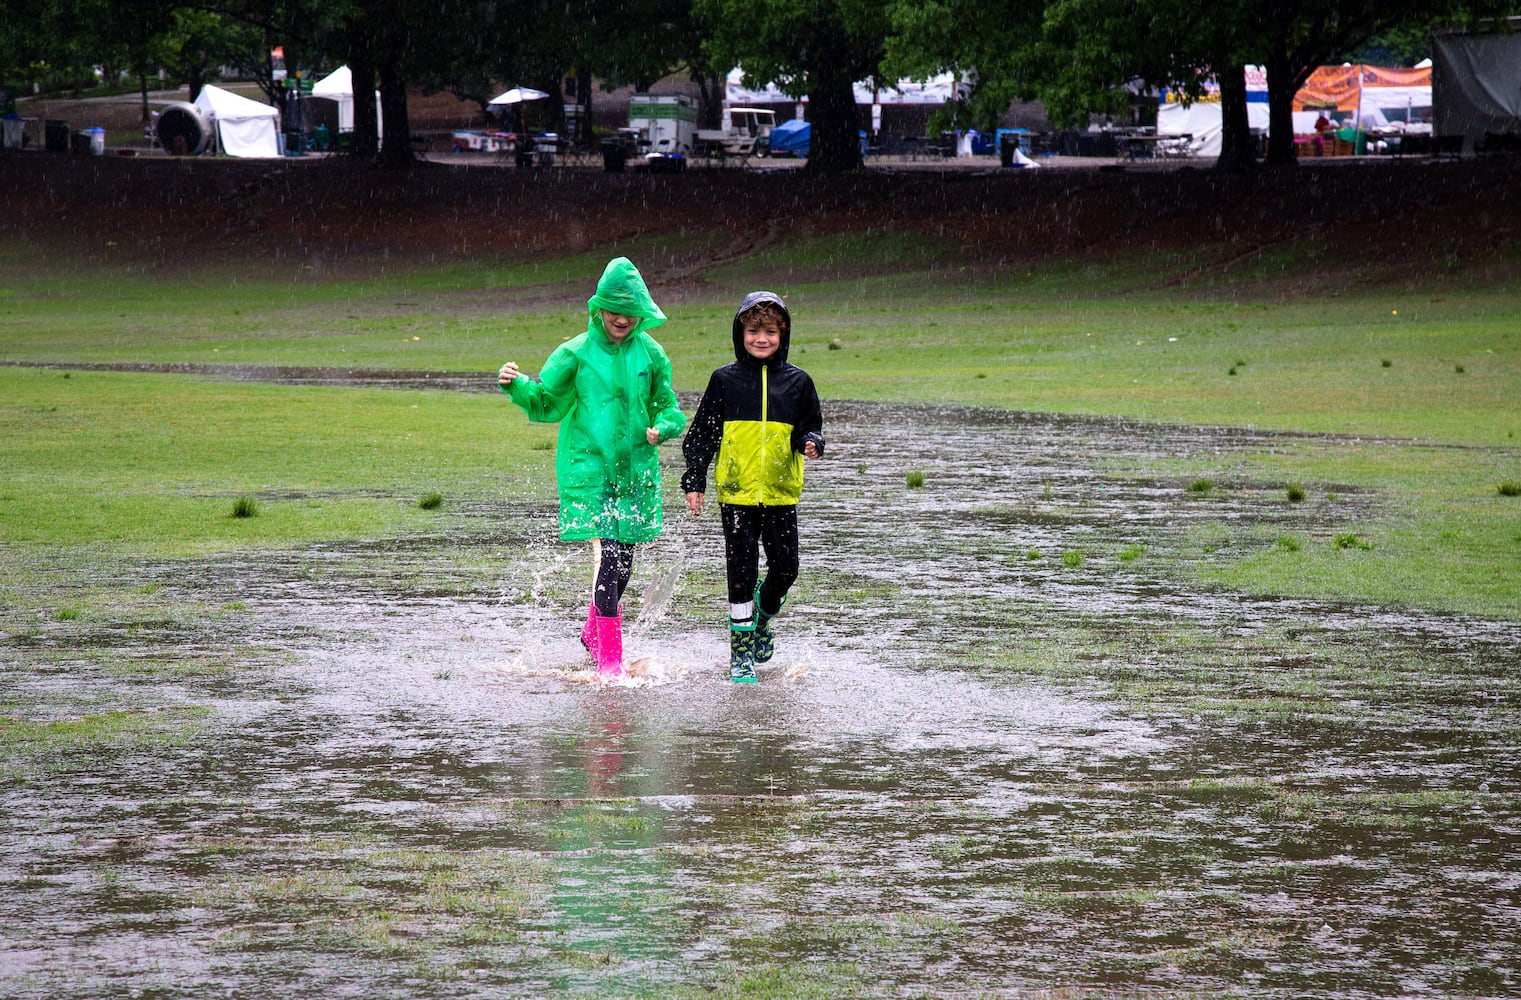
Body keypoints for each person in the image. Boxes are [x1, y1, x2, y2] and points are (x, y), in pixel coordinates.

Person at [497, 257, 686, 678]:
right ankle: (610, 665)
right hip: (589, 474)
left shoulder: (651, 353)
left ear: (641, 311)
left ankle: (591, 634)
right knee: (609, 559)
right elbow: (548, 400)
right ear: (598, 307)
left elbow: (668, 405)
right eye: (613, 308)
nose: (621, 318)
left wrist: (665, 427)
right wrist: (517, 385)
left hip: (636, 473)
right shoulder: (576, 352)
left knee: (626, 563)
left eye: (629, 309)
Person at [681, 292, 825, 683]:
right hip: (737, 494)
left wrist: (811, 442)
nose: (761, 338)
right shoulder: (724, 381)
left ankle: (762, 617)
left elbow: (811, 425)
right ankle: (740, 653)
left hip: (780, 493)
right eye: (753, 330)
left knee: (786, 569)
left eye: (770, 331)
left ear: (783, 334)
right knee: (741, 572)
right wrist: (695, 478)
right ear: (740, 332)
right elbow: (702, 436)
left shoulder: (798, 382)